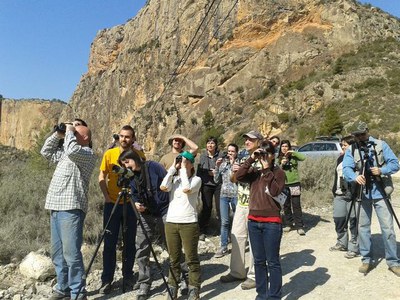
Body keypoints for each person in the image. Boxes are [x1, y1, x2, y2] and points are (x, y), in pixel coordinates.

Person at [41, 122, 96, 300]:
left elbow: (72, 150)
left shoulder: (87, 153)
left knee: (71, 254)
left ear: (85, 137)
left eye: (75, 132)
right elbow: (46, 152)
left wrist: (70, 130)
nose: (70, 133)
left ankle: (78, 293)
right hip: (55, 206)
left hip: (71, 208)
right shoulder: (66, 153)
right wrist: (58, 134)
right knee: (57, 253)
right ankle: (63, 287)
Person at [343, 121, 400, 276]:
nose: (360, 137)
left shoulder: (381, 145)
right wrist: (354, 177)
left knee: (388, 228)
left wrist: (381, 170)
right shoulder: (352, 149)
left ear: (367, 131)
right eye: (356, 135)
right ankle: (366, 259)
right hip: (362, 193)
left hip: (381, 192)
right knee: (363, 228)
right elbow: (346, 167)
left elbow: (395, 163)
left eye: (362, 134)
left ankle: (393, 262)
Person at [98, 125, 146, 294]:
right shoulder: (109, 154)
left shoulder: (139, 155)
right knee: (109, 242)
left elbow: (142, 176)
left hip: (130, 203)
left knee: (129, 242)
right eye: (121, 136)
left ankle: (128, 276)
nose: (124, 139)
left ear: (133, 139)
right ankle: (107, 279)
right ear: (118, 137)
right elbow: (102, 176)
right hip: (112, 202)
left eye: (128, 137)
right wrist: (106, 196)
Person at [236, 140, 285, 300]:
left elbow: (274, 190)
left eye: (266, 153)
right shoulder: (254, 173)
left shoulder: (278, 173)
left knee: (272, 262)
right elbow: (239, 176)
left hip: (272, 222)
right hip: (254, 221)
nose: (263, 156)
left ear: (273, 155)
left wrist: (266, 169)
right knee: (258, 261)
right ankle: (261, 295)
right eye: (261, 153)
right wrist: (251, 158)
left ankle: (274, 296)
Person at [119, 149, 169, 300]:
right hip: (145, 214)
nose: (126, 166)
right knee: (141, 248)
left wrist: (163, 199)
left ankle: (180, 276)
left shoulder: (154, 166)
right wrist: (137, 204)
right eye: (123, 164)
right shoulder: (131, 176)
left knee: (171, 244)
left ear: (134, 158)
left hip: (163, 211)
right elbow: (133, 195)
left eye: (127, 162)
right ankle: (144, 283)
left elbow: (169, 182)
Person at [219, 130, 263, 290]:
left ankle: (254, 275)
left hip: (256, 205)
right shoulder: (243, 157)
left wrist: (247, 170)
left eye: (250, 139)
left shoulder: (263, 158)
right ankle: (237, 272)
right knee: (237, 235)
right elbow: (233, 180)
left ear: (258, 140)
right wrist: (235, 171)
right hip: (242, 203)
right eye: (246, 139)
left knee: (254, 240)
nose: (247, 142)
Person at [160, 151, 202, 300]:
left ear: (191, 164)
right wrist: (172, 168)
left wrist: (184, 169)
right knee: (174, 258)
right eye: (182, 161)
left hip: (189, 223)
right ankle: (173, 286)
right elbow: (163, 186)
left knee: (191, 258)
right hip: (171, 222)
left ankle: (194, 288)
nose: (182, 163)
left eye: (186, 161)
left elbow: (187, 189)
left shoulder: (196, 179)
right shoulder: (176, 178)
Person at [330, 135, 359, 259]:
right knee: (339, 219)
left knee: (353, 220)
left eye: (345, 145)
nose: (342, 147)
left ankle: (354, 247)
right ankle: (342, 242)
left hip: (354, 196)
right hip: (339, 194)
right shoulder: (340, 158)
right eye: (342, 145)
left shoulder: (358, 159)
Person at [213, 143, 239, 258]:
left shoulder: (239, 164)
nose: (230, 153)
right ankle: (223, 246)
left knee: (238, 221)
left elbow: (238, 178)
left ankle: (239, 244)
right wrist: (217, 167)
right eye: (228, 151)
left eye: (232, 151)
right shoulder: (223, 164)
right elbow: (216, 180)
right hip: (224, 195)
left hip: (236, 195)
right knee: (224, 222)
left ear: (236, 152)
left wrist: (233, 164)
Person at [197, 137, 223, 240]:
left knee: (220, 207)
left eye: (212, 143)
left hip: (218, 184)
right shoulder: (203, 156)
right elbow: (200, 171)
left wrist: (215, 172)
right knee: (207, 207)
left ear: (216, 145)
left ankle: (223, 230)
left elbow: (224, 168)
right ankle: (202, 229)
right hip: (206, 184)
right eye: (208, 143)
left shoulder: (221, 155)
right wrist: (208, 172)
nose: (210, 145)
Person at [278, 139, 306, 235]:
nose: (284, 148)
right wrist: (282, 164)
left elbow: (303, 158)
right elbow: (277, 170)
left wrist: (293, 152)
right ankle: (289, 224)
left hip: (294, 183)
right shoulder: (279, 157)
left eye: (286, 146)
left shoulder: (293, 156)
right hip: (284, 184)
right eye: (282, 146)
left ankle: (299, 226)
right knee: (286, 205)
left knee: (296, 205)